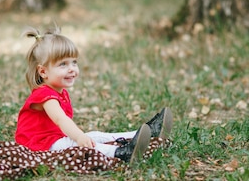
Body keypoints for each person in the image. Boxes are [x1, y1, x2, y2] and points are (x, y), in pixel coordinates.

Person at [15, 25, 173, 166]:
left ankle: (143, 133)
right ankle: (121, 153)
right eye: (63, 64)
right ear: (43, 71)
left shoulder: (59, 92)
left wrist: (81, 136)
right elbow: (60, 120)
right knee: (79, 142)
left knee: (94, 135)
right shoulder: (44, 95)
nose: (72, 69)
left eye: (74, 62)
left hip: (51, 141)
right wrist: (78, 137)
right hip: (38, 146)